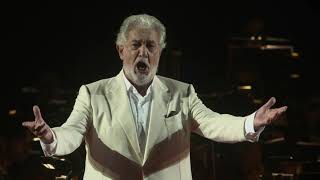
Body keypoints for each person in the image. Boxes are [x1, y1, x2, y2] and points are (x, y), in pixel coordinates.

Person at [22, 14, 287, 180]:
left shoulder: (183, 93)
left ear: (160, 52)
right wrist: (50, 137)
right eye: (136, 45)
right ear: (120, 50)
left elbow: (214, 124)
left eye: (151, 46)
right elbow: (72, 133)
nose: (143, 53)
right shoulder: (92, 93)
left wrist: (252, 121)